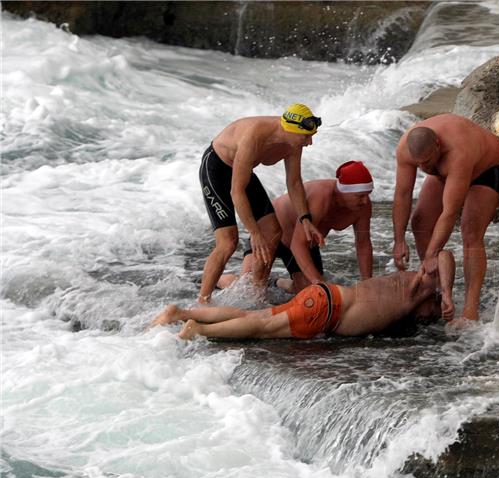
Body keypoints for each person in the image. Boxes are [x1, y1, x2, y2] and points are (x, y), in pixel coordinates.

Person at [151, 251, 455, 340]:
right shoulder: (417, 287)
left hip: (324, 298)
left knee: (252, 317)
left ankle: (180, 313)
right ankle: (199, 329)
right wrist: (449, 297)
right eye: (433, 310)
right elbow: (446, 254)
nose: (432, 316)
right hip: (326, 311)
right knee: (259, 328)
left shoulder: (400, 287)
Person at [197, 103, 325, 304]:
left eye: (312, 136)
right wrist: (254, 233)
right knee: (228, 242)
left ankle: (255, 295)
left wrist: (305, 219)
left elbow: (294, 182)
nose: (309, 142)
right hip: (217, 169)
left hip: (242, 171)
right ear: (290, 130)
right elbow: (236, 191)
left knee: (273, 232)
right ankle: (202, 301)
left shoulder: (293, 143)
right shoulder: (254, 136)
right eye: (306, 137)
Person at [392, 113, 499, 323]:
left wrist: (432, 253)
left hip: (487, 168)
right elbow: (402, 194)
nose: (424, 169)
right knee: (420, 221)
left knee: (470, 230)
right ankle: (438, 292)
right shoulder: (406, 149)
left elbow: (449, 212)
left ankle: (470, 309)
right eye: (419, 165)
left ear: (437, 145)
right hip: (446, 171)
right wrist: (399, 240)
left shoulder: (457, 152)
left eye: (426, 162)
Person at [222, 161, 374, 294]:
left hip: (303, 242)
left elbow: (363, 243)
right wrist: (319, 282)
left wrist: (367, 282)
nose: (365, 201)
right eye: (360, 196)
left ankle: (275, 282)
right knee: (248, 289)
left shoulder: (363, 207)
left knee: (307, 290)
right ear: (343, 191)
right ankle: (217, 280)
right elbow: (297, 244)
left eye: (368, 194)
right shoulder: (321, 196)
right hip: (271, 234)